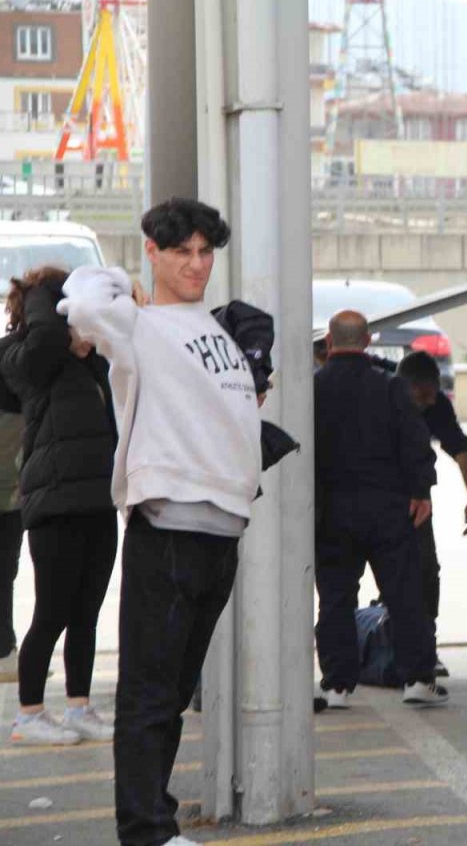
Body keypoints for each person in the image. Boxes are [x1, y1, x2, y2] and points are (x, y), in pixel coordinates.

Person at [57, 197, 262, 846]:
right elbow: (83, 301)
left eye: (205, 252)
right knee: (149, 693)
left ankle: (157, 821)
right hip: (168, 527)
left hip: (222, 532)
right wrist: (125, 282)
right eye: (182, 252)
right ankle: (144, 830)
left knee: (169, 694)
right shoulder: (138, 326)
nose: (197, 264)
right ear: (153, 251)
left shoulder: (217, 330)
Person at [1, 266, 118, 745]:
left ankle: (78, 706)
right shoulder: (24, 358)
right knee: (51, 611)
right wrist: (45, 294)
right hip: (54, 504)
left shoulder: (91, 365)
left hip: (98, 500)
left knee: (86, 613)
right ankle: (28, 715)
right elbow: (46, 338)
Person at [313, 311, 446, 709]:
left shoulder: (312, 389)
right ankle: (418, 680)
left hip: (331, 511)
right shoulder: (391, 388)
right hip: (388, 510)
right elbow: (415, 442)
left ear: (330, 343)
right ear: (368, 341)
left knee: (336, 597)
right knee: (404, 594)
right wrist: (421, 491)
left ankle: (337, 685)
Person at [395, 351, 467, 680]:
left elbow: (460, 451)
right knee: (391, 574)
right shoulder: (384, 401)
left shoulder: (436, 404)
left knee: (427, 569)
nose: (430, 402)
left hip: (418, 501)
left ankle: (425, 650)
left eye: (433, 394)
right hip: (376, 497)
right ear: (405, 388)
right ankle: (388, 646)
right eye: (423, 395)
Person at [0, 388, 22, 685]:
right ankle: (5, 649)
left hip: (14, 501)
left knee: (6, 575)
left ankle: (5, 649)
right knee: (5, 575)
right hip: (14, 499)